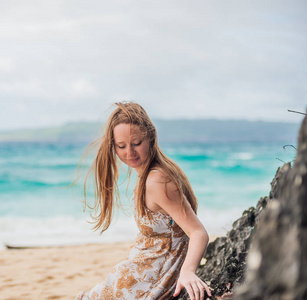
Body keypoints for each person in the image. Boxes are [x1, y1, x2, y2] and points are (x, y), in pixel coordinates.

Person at [75, 102, 211, 300]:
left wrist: (188, 272)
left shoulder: (158, 179)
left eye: (136, 143)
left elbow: (198, 232)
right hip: (139, 273)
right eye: (121, 146)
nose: (129, 153)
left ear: (150, 138)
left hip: (151, 281)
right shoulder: (148, 175)